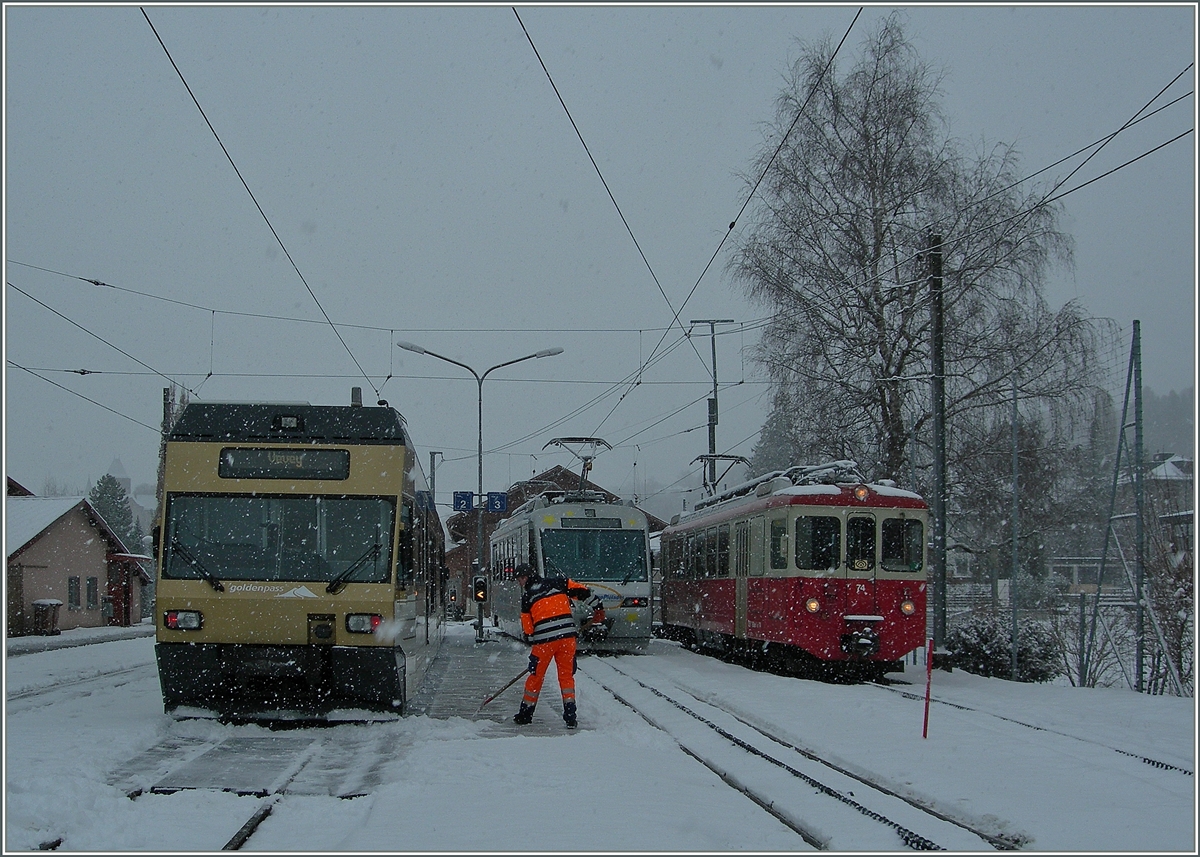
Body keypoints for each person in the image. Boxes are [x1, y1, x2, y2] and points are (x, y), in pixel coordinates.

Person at [511, 563, 591, 728]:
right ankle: (570, 715)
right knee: (566, 676)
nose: (520, 583)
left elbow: (528, 628)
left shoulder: (528, 597)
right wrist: (596, 604)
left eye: (519, 579)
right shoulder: (558, 583)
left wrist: (531, 638)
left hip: (545, 642)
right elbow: (582, 590)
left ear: (525, 578)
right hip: (568, 639)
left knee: (536, 677)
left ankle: (525, 714)